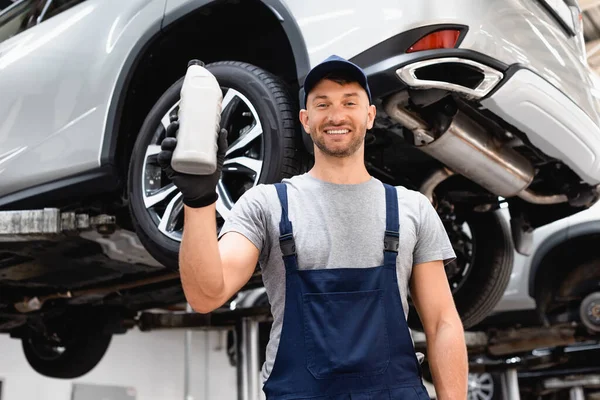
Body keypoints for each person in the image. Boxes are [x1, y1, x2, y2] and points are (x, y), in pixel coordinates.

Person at [158, 55, 468, 399]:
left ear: (370, 116)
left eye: (349, 102)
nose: (336, 115)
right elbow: (205, 295)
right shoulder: (267, 205)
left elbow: (442, 322)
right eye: (322, 104)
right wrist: (198, 201)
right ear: (306, 119)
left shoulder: (412, 208)